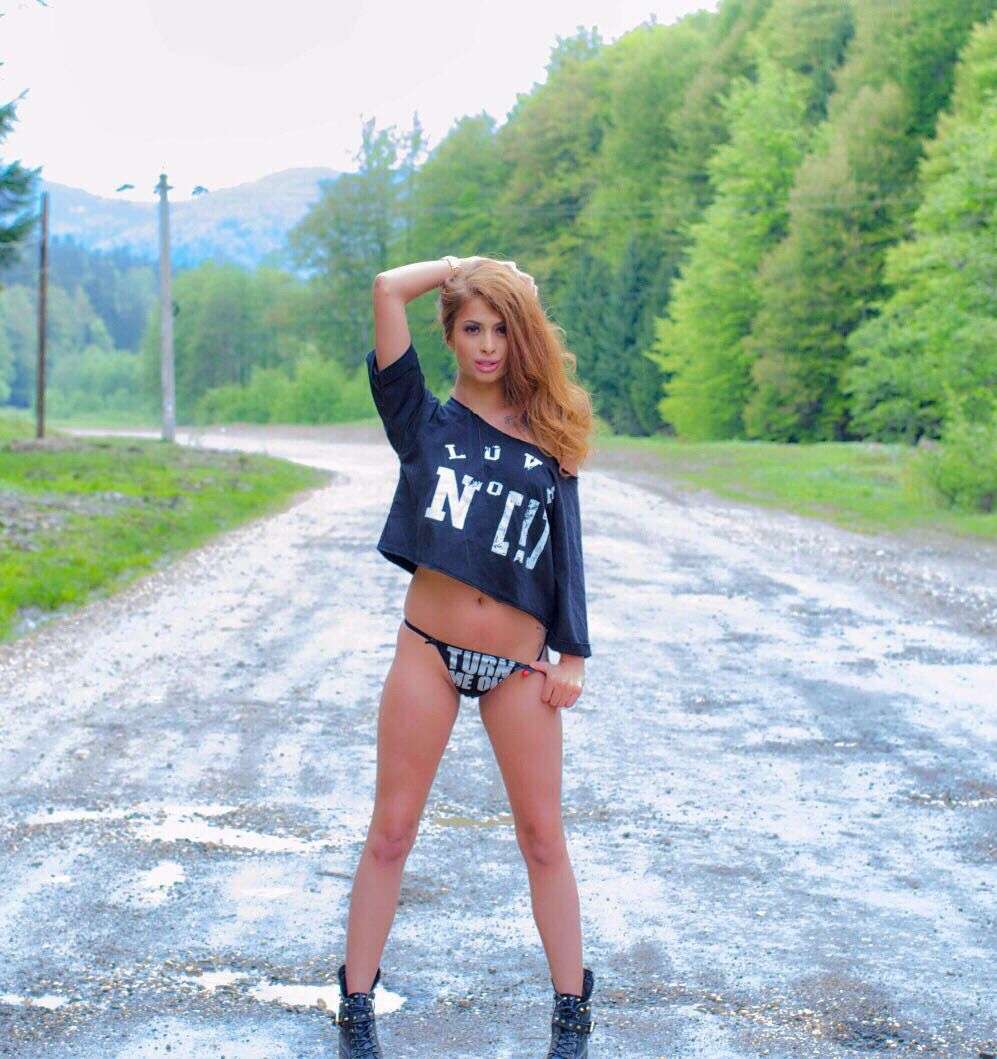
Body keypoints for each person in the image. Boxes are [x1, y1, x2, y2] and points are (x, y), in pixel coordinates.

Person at [334, 255, 596, 1058]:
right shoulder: (421, 420)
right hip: (428, 651)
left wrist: (573, 654)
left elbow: (566, 551)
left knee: (542, 835)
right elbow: (386, 288)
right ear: (448, 335)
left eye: (502, 329)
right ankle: (355, 1003)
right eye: (472, 328)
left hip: (519, 667)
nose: (487, 345)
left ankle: (571, 1009)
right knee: (392, 829)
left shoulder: (549, 433)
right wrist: (463, 268)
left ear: (522, 338)